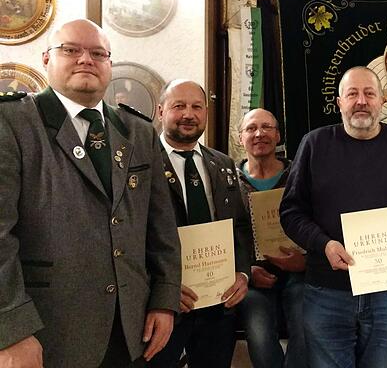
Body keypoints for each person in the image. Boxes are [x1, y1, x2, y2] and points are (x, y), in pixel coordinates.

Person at [0, 19, 181, 367]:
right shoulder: (13, 123)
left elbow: (161, 229)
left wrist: (164, 300)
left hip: (131, 326)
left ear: (109, 65)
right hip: (45, 329)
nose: (86, 59)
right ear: (46, 58)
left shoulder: (138, 132)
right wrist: (11, 329)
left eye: (98, 53)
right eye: (71, 50)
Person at [280, 66, 387, 368]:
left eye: (369, 94)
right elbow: (290, 211)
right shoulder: (315, 144)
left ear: (382, 101)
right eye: (352, 94)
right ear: (339, 102)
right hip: (327, 291)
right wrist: (324, 244)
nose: (361, 101)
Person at [149, 79, 253, 367]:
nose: (188, 114)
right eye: (178, 106)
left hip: (218, 307)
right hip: (164, 307)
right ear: (160, 111)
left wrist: (242, 274)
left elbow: (240, 228)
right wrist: (163, 288)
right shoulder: (141, 163)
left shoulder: (223, 164)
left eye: (196, 106)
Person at [236, 108, 307, 368]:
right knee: (260, 336)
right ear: (240, 137)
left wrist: (305, 262)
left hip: (300, 273)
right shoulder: (228, 181)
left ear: (278, 136)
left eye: (267, 127)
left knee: (306, 328)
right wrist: (245, 271)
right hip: (253, 279)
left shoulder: (301, 175)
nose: (259, 133)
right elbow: (224, 234)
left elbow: (317, 222)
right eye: (251, 128)